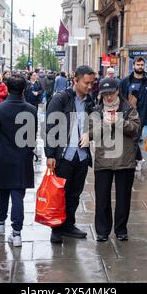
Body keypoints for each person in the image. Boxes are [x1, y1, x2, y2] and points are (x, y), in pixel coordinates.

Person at [0, 73, 37, 247]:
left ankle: (0, 223)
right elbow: (32, 138)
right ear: (24, 89)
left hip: (2, 157)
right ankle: (16, 233)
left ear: (7, 88)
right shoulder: (31, 110)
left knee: (2, 192)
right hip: (22, 158)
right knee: (18, 195)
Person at [45, 65, 95, 244]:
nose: (89, 87)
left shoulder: (90, 101)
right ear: (75, 80)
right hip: (64, 155)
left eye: (92, 83)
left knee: (75, 193)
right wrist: (50, 154)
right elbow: (50, 127)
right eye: (86, 83)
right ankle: (56, 228)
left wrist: (90, 134)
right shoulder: (61, 99)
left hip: (81, 156)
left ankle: (69, 224)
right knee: (60, 194)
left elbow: (94, 124)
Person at [90, 78, 140, 242]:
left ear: (118, 91)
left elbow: (136, 129)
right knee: (102, 198)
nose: (108, 97)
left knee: (123, 198)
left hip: (124, 160)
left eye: (111, 93)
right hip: (103, 160)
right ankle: (102, 231)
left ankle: (121, 230)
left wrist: (119, 122)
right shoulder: (97, 109)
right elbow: (89, 133)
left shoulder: (128, 108)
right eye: (105, 94)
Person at [120, 57, 147, 172]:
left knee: (134, 139)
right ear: (134, 65)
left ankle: (130, 163)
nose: (140, 67)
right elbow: (120, 98)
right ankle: (139, 158)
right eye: (138, 64)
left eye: (142, 65)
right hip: (126, 116)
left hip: (141, 116)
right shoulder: (126, 81)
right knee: (128, 139)